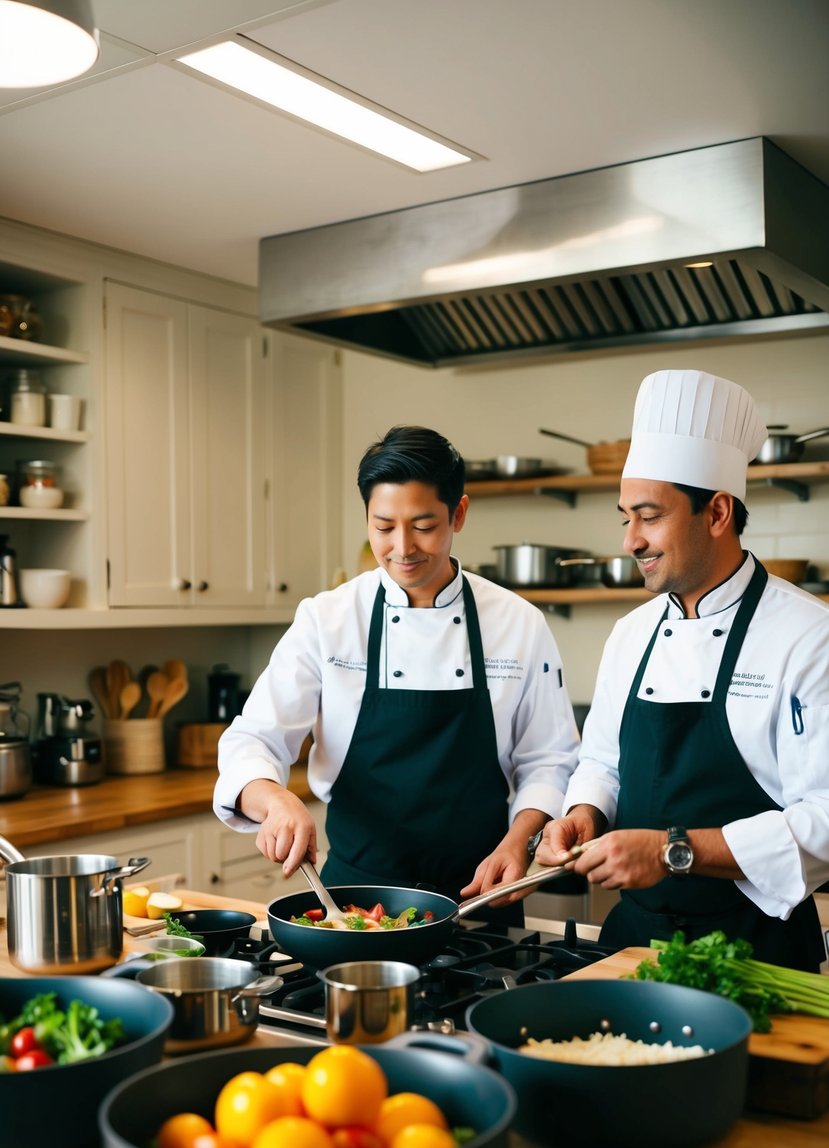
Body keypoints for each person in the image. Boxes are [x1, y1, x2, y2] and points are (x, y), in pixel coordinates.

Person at [214, 424, 580, 923]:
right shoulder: (329, 619)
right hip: (353, 905)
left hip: (479, 896)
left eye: (424, 526)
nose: (402, 548)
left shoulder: (518, 623)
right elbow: (252, 740)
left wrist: (519, 841)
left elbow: (550, 759)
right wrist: (276, 800)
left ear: (459, 514)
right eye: (383, 527)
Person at [535, 368, 829, 970]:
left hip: (758, 952)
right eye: (625, 517)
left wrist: (674, 851)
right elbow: (602, 762)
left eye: (649, 516)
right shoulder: (632, 634)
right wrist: (583, 812)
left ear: (717, 512)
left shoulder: (809, 636)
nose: (631, 541)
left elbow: (825, 819)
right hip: (633, 945)